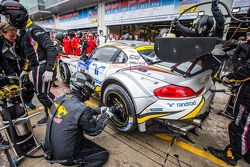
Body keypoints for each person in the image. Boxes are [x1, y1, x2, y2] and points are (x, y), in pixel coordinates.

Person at [1, 0, 58, 125]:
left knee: (43, 95)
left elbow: (52, 49)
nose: (8, 19)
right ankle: (51, 115)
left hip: (43, 66)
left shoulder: (34, 30)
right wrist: (26, 70)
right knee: (44, 94)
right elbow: (28, 55)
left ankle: (60, 118)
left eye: (8, 17)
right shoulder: (24, 31)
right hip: (37, 67)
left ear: (16, 15)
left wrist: (49, 69)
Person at [44, 72, 117, 167]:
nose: (90, 94)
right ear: (85, 90)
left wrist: (99, 111)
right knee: (103, 155)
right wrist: (107, 114)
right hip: (64, 156)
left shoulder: (60, 99)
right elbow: (94, 130)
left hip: (49, 148)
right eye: (90, 91)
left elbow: (75, 112)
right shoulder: (82, 109)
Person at [207, 32, 250, 166]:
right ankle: (246, 153)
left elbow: (248, 69)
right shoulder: (244, 46)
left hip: (248, 98)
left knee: (239, 127)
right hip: (246, 90)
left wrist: (230, 77)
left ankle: (233, 155)